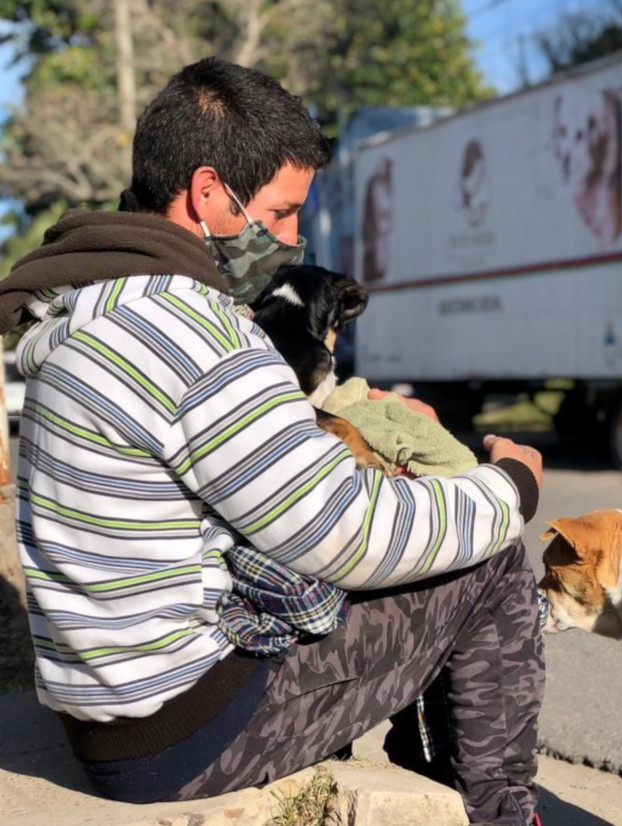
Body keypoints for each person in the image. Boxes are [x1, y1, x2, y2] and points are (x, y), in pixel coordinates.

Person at [0, 57, 546, 826]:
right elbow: (347, 535)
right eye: (283, 213)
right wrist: (509, 484)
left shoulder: (88, 311)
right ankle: (503, 813)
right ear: (208, 193)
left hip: (104, 711)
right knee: (489, 559)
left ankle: (436, 773)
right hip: (185, 734)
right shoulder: (195, 335)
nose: (293, 240)